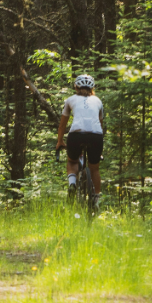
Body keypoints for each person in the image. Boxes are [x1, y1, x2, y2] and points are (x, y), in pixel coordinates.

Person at [55, 74, 105, 212]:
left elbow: (62, 125)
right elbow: (100, 124)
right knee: (94, 168)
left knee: (72, 161)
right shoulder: (98, 101)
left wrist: (60, 141)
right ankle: (96, 200)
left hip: (76, 135)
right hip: (96, 136)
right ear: (92, 88)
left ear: (75, 87)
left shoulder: (70, 100)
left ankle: (72, 184)